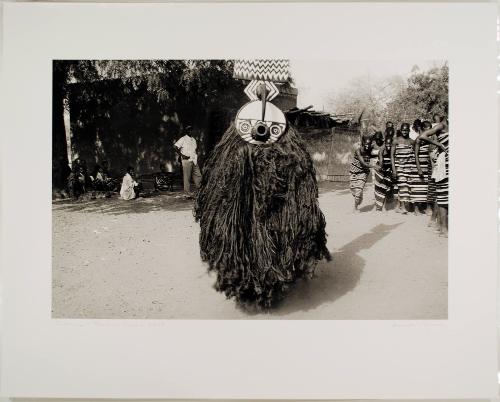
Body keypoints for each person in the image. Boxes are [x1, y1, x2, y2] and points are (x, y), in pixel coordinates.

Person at [417, 117, 448, 236]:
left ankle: (439, 224)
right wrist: (439, 144)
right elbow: (423, 136)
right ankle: (441, 226)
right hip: (442, 166)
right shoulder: (440, 126)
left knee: (443, 196)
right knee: (441, 196)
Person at [391, 123, 416, 214]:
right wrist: (394, 169)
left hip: (409, 167)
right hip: (399, 167)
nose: (405, 132)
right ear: (401, 131)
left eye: (406, 130)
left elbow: (414, 155)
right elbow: (392, 156)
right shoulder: (396, 141)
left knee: (406, 186)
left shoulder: (412, 142)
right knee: (403, 185)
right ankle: (403, 207)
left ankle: (399, 206)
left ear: (409, 130)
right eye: (403, 130)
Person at [174, 126, 202, 197]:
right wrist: (182, 155)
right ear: (186, 131)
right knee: (187, 177)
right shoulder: (183, 139)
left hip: (193, 160)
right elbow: (175, 146)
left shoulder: (194, 140)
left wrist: (195, 155)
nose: (190, 131)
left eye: (191, 130)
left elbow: (195, 149)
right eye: (189, 130)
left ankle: (200, 190)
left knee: (198, 175)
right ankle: (187, 193)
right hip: (186, 160)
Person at [412, 120, 432, 214]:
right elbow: (416, 155)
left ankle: (426, 208)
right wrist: (419, 168)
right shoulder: (419, 139)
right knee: (418, 186)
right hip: (419, 165)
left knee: (426, 187)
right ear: (423, 129)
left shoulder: (429, 139)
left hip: (427, 165)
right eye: (427, 129)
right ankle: (416, 209)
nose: (429, 131)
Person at [349, 135, 373, 212]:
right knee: (353, 189)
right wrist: (374, 166)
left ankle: (355, 207)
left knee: (358, 192)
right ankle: (359, 195)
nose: (367, 145)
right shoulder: (358, 150)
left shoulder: (370, 150)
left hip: (363, 172)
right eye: (366, 144)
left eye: (369, 144)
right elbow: (363, 163)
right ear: (363, 143)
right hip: (353, 172)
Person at [374, 135, 395, 211]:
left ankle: (386, 205)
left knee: (387, 188)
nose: (388, 147)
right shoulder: (382, 150)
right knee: (379, 188)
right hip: (380, 169)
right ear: (385, 143)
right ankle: (378, 207)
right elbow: (381, 161)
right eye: (387, 145)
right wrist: (381, 171)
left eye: (390, 145)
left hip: (388, 169)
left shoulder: (393, 149)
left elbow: (393, 160)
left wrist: (393, 171)